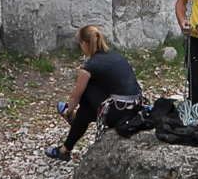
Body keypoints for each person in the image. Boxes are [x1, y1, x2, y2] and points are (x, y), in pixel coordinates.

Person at [46, 25, 141, 160]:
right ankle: (64, 150)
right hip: (134, 107)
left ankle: (70, 116)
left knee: (88, 87)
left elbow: (75, 96)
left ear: (84, 44)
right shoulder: (115, 55)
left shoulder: (91, 66)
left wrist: (68, 110)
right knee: (84, 114)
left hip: (118, 112)